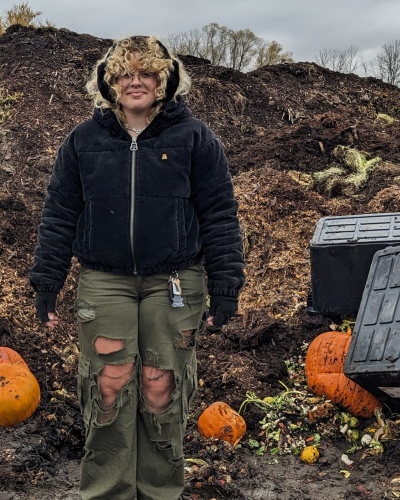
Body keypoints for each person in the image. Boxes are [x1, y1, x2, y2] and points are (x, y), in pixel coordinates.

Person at [30, 35, 245, 500]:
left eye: (147, 72)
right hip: (105, 281)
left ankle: (159, 491)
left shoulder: (194, 139)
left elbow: (219, 214)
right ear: (109, 82)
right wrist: (47, 282)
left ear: (164, 80)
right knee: (109, 384)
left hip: (175, 280)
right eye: (125, 72)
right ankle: (107, 492)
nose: (136, 81)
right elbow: (59, 213)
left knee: (160, 384)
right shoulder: (83, 142)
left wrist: (226, 285)